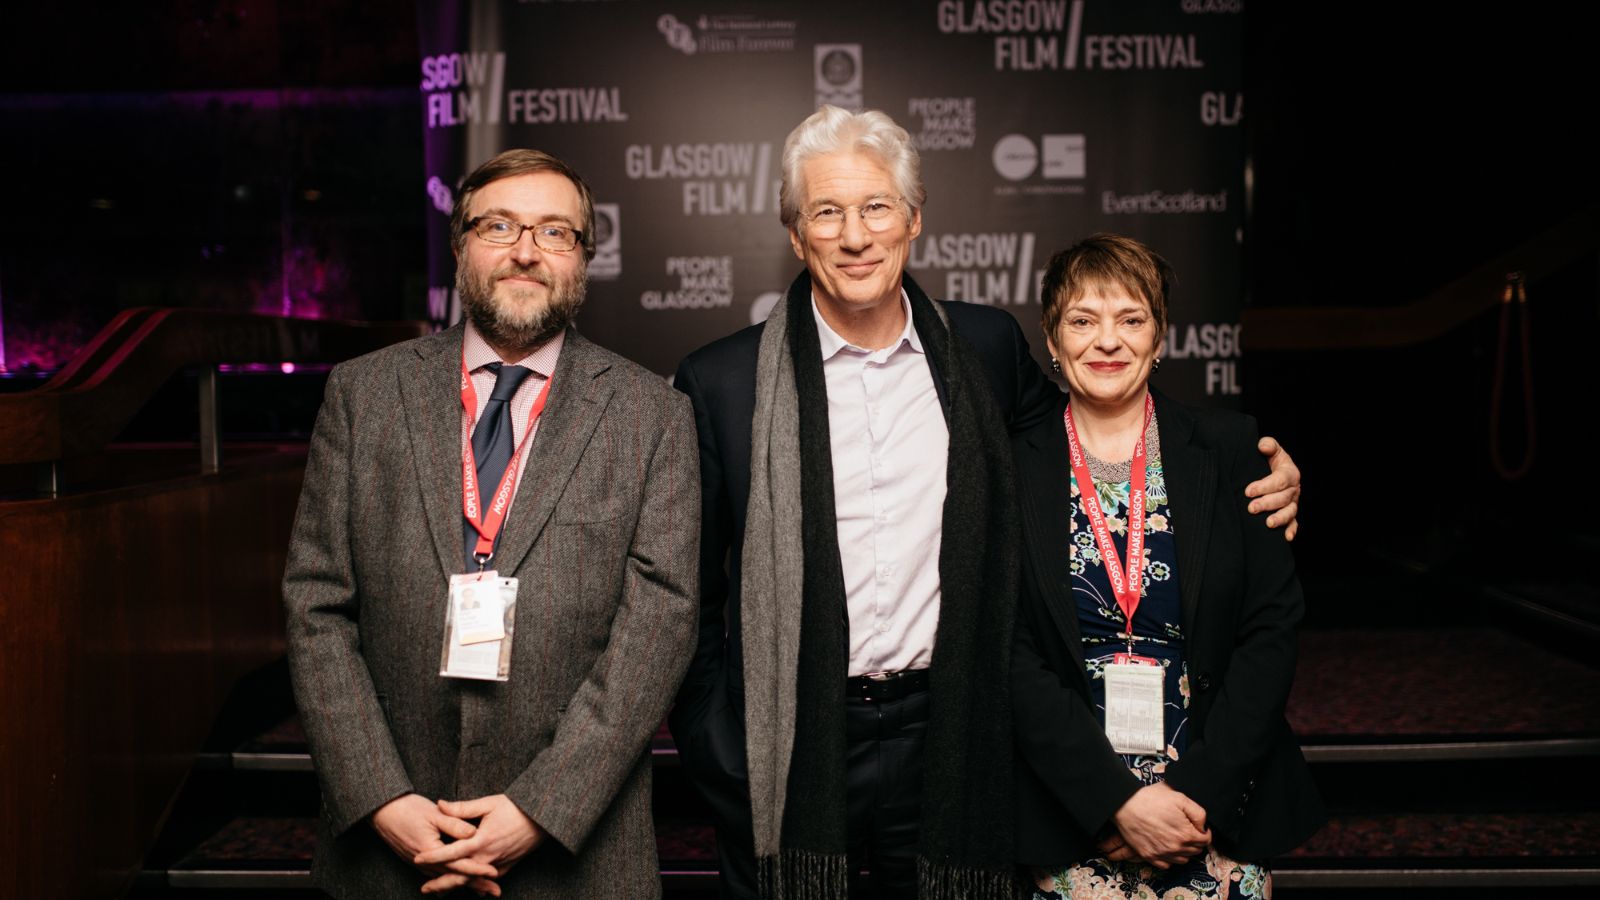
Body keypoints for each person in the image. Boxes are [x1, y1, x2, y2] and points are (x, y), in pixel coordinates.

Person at [669, 106, 1305, 900]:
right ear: (796, 234)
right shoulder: (720, 383)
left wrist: (1258, 471)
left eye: (876, 208)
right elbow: (687, 598)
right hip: (791, 743)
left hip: (955, 733)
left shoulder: (984, 350)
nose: (856, 235)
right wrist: (718, 749)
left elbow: (1103, 423)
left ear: (915, 220)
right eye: (827, 212)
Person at [283, 149, 699, 899]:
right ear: (460, 245)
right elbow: (315, 605)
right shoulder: (363, 393)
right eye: (499, 225)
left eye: (555, 232)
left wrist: (543, 807)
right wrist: (380, 797)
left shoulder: (654, 415)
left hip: (578, 853)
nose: (526, 250)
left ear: (583, 259)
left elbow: (659, 629)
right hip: (387, 848)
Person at [1011, 234, 1325, 899]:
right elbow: (1005, 651)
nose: (1107, 340)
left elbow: (1269, 632)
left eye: (1131, 319)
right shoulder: (1011, 466)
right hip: (1068, 805)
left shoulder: (1232, 450)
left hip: (1212, 805)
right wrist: (1113, 802)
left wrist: (1193, 798)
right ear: (1051, 337)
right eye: (1082, 320)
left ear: (1160, 340)